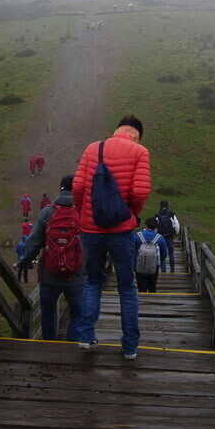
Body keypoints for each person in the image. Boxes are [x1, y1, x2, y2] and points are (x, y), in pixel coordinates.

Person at [72, 114, 151, 360]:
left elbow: (77, 187)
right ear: (136, 134)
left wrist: (83, 213)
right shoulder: (139, 152)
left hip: (91, 230)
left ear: (117, 130)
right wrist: (131, 214)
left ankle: (85, 337)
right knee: (127, 288)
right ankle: (129, 347)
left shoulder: (93, 148)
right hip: (121, 230)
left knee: (93, 281)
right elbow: (140, 191)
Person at [14, 175, 85, 341]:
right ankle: (71, 350)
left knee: (48, 312)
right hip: (75, 274)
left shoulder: (47, 212)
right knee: (77, 314)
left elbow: (34, 241)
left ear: (60, 189)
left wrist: (23, 261)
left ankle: (49, 348)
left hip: (49, 273)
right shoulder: (83, 212)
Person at [134, 217, 169, 293]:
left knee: (141, 289)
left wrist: (134, 263)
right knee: (152, 287)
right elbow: (164, 253)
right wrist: (158, 263)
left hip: (140, 266)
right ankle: (152, 301)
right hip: (153, 267)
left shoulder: (138, 236)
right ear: (156, 227)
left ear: (146, 225)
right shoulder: (160, 238)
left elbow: (132, 250)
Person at [155, 200, 179, 272]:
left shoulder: (158, 215)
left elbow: (155, 227)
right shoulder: (171, 214)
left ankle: (163, 270)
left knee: (162, 253)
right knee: (171, 253)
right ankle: (172, 270)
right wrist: (176, 233)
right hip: (169, 237)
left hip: (161, 237)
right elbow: (176, 225)